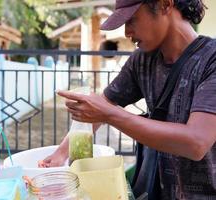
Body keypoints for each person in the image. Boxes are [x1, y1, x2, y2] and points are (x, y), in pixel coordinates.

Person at [41, 0, 216, 199]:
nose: (126, 32)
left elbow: (196, 143)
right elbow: (105, 103)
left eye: (132, 20)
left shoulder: (211, 59)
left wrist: (109, 115)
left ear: (165, 5)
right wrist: (61, 154)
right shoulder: (142, 60)